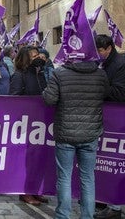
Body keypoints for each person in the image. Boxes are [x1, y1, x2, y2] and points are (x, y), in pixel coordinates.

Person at [43, 56, 109, 219]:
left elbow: (49, 99)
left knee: (64, 177)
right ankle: (87, 215)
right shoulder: (100, 74)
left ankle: (62, 215)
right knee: (87, 177)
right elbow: (106, 94)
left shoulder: (60, 73)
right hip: (90, 132)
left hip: (66, 132)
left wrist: (46, 89)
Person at [95, 34, 125, 219]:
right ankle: (104, 200)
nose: (98, 53)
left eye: (100, 50)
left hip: (122, 120)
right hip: (108, 119)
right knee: (105, 162)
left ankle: (115, 207)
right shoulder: (104, 63)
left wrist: (97, 86)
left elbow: (120, 93)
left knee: (117, 164)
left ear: (109, 48)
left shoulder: (120, 64)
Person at [9, 46, 49, 205]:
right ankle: (24, 191)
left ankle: (36, 190)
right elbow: (14, 99)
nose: (37, 58)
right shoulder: (19, 76)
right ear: (25, 59)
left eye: (38, 55)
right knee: (28, 161)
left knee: (39, 159)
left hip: (41, 123)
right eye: (33, 56)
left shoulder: (39, 74)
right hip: (26, 124)